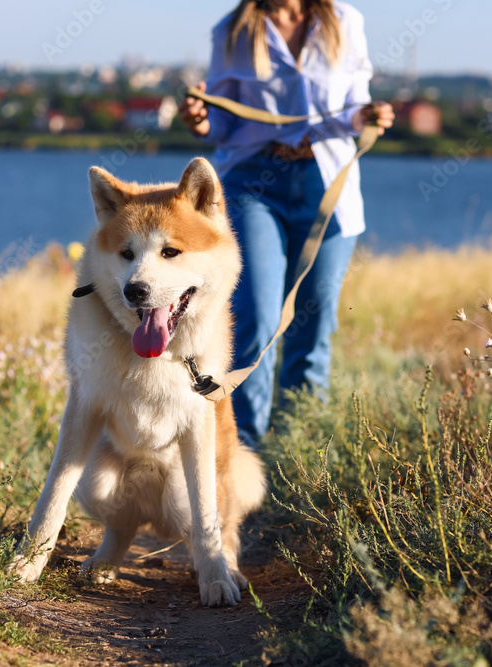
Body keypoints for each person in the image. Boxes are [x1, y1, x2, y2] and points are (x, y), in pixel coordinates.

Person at [178, 0, 394, 448]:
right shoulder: (232, 30)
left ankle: (302, 449)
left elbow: (356, 106)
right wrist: (201, 121)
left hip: (328, 183)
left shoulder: (346, 22)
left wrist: (370, 116)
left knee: (313, 323)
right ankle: (243, 451)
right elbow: (220, 125)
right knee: (256, 319)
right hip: (253, 183)